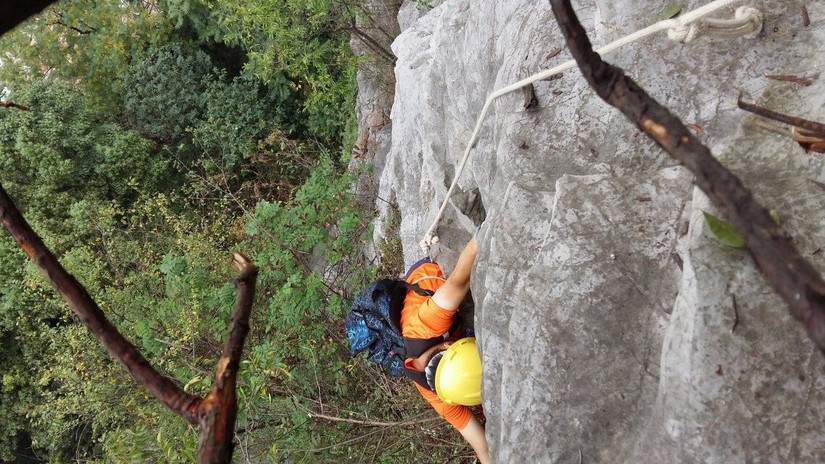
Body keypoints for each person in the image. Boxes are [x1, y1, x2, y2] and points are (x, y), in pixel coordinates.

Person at [400, 236, 490, 464]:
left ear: (451, 345)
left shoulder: (426, 324)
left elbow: (458, 282)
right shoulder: (439, 395)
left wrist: (481, 237)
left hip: (429, 275)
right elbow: (481, 445)